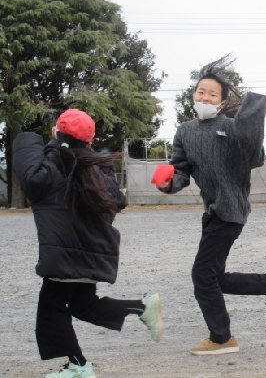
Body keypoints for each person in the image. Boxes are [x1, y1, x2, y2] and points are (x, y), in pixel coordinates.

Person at [157, 56, 266, 356]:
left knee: (202, 275)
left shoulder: (232, 128)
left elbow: (254, 156)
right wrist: (169, 184)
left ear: (221, 102)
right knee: (212, 277)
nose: (204, 97)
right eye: (200, 91)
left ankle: (222, 338)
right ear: (193, 95)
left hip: (230, 209)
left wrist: (252, 120)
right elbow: (180, 170)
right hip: (212, 211)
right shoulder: (185, 131)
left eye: (212, 94)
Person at [13, 109, 163, 378]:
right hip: (87, 254)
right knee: (83, 306)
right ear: (90, 140)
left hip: (65, 256)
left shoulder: (51, 164)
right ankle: (142, 307)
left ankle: (79, 367)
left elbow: (30, 176)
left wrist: (43, 141)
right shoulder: (96, 167)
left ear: (57, 133)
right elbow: (118, 200)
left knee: (51, 310)